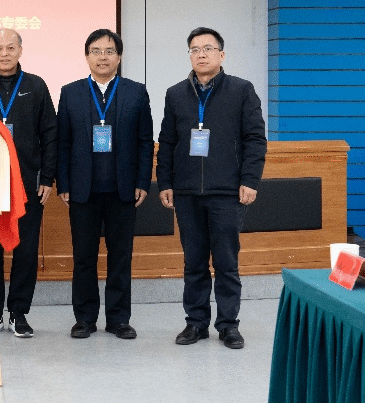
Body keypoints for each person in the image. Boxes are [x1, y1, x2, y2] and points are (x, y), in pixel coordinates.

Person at [156, 27, 266, 350]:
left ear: (221, 54)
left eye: (208, 48)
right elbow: (167, 142)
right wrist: (166, 182)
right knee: (193, 262)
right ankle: (196, 322)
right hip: (187, 192)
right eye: (195, 49)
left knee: (226, 263)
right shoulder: (176, 94)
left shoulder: (241, 90)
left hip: (227, 192)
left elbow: (255, 139)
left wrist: (250, 180)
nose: (201, 54)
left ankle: (228, 325)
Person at [57, 29, 154, 340]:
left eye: (109, 51)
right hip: (82, 191)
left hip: (123, 191)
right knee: (83, 258)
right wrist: (63, 183)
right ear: (87, 56)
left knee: (120, 257)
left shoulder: (136, 92)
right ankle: (84, 319)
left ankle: (118, 319)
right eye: (96, 51)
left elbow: (144, 141)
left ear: (119, 57)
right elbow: (62, 143)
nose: (103, 57)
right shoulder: (70, 92)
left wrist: (142, 181)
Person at [0, 28, 57, 338]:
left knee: (26, 250)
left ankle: (19, 313)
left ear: (20, 50)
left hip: (28, 183)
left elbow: (50, 133)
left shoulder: (36, 85)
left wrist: (47, 177)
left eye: (10, 48)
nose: (4, 54)